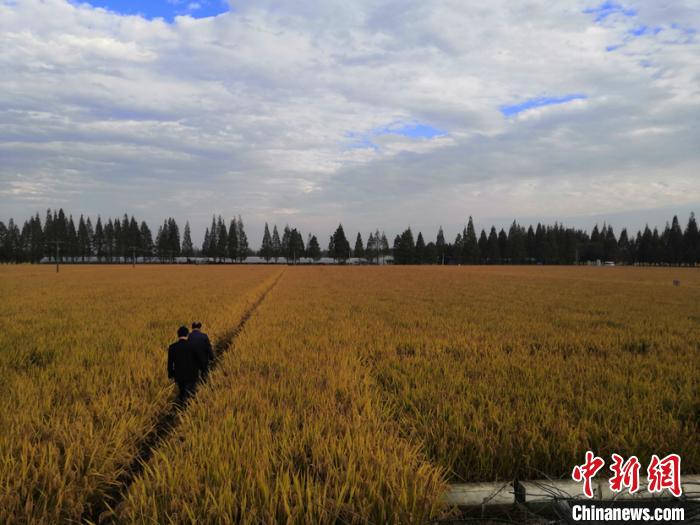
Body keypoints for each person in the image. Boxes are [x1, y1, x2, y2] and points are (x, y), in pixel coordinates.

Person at [167, 326, 203, 404]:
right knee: (191, 394)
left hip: (179, 376)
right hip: (192, 375)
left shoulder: (172, 347)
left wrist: (171, 374)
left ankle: (181, 408)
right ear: (187, 334)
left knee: (182, 393)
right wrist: (200, 370)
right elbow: (199, 359)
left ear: (178, 335)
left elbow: (170, 363)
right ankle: (189, 409)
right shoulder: (193, 346)